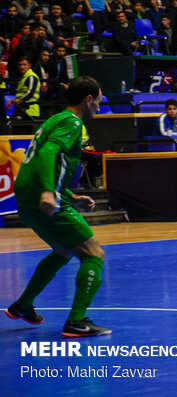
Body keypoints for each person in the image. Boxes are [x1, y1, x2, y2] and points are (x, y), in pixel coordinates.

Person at [4, 76, 113, 336]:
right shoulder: (73, 122)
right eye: (98, 101)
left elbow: (50, 162)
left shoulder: (55, 119)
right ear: (88, 100)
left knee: (64, 250)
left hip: (29, 198)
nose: (99, 106)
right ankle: (77, 322)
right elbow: (48, 152)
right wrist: (47, 193)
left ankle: (23, 305)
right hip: (40, 196)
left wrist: (67, 195)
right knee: (94, 253)